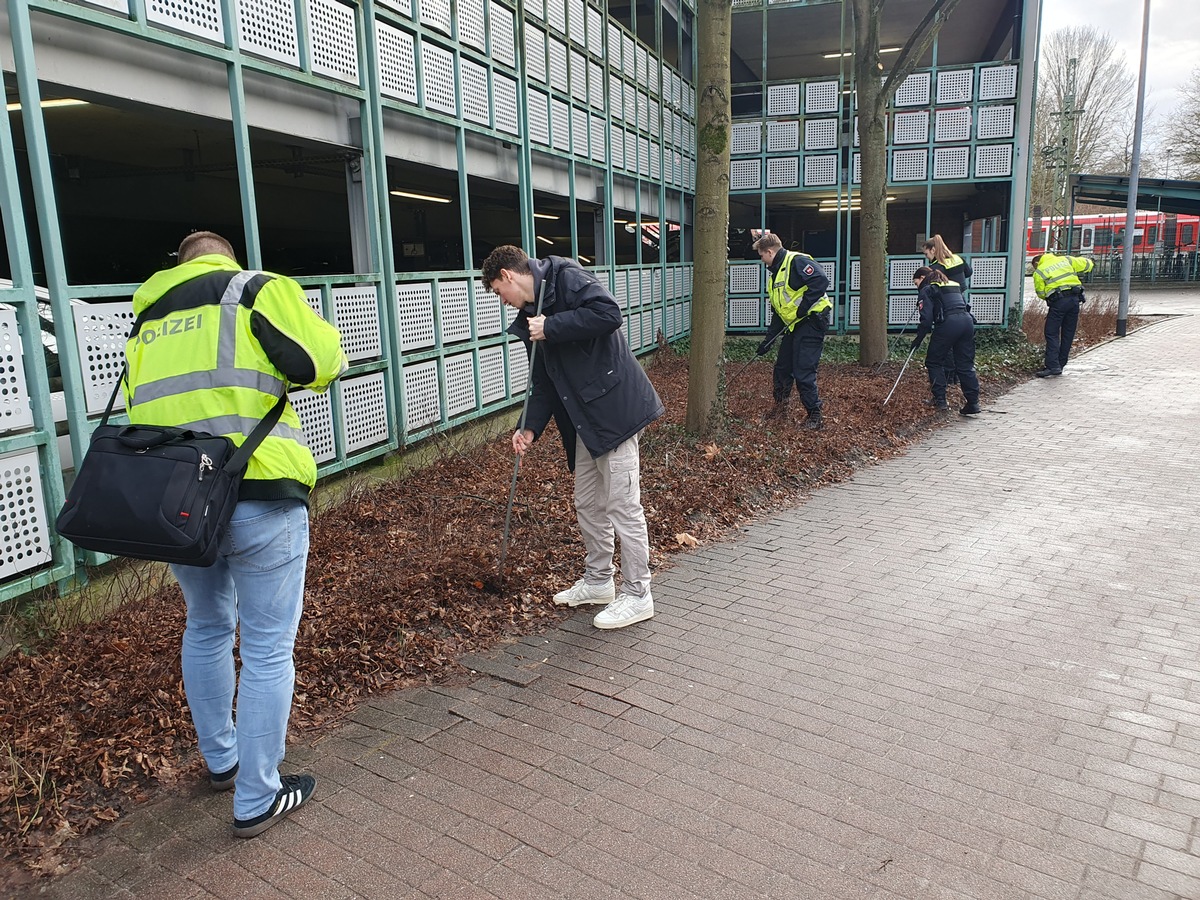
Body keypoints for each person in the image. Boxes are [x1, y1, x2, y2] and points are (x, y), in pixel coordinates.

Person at [123, 231, 347, 837]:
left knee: (206, 625)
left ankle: (221, 761)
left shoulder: (146, 314)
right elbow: (320, 361)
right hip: (259, 491)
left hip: (182, 505)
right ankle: (255, 797)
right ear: (228, 259)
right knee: (269, 646)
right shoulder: (254, 291)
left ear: (180, 262)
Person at [482, 245, 664, 630]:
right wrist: (529, 426)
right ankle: (599, 582)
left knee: (622, 506)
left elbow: (608, 313)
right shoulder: (530, 316)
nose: (503, 301)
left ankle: (638, 593)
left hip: (615, 413)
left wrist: (551, 326)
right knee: (587, 503)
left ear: (508, 276)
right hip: (584, 421)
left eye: (499, 292)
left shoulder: (566, 276)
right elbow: (543, 379)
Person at [752, 233, 833, 430]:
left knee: (803, 370)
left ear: (770, 252)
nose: (762, 260)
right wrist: (768, 342)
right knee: (782, 368)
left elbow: (820, 281)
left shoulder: (796, 261)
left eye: (762, 256)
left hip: (812, 321)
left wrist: (803, 308)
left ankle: (815, 415)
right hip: (794, 325)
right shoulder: (775, 276)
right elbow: (779, 313)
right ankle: (781, 409)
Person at [910, 265, 981, 416]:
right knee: (965, 364)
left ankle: (940, 400)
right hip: (967, 323)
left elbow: (927, 320)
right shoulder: (953, 285)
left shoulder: (927, 289)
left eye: (916, 283)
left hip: (948, 324)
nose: (917, 287)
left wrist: (918, 339)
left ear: (922, 279)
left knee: (934, 362)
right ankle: (973, 402)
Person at [1030, 250, 1094, 377]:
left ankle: (1052, 366)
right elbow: (1088, 265)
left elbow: (1041, 293)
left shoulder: (1040, 271)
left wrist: (1051, 295)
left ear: (1037, 262)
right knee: (1068, 333)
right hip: (1075, 300)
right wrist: (1091, 263)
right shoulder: (1066, 260)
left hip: (1058, 303)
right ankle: (1060, 363)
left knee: (1051, 332)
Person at [922, 235, 972, 387]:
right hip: (961, 302)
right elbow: (968, 272)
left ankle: (948, 376)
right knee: (961, 346)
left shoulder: (937, 267)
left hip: (947, 304)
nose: (927, 258)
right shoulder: (958, 258)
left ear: (933, 250)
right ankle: (956, 376)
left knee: (946, 340)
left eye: (926, 254)